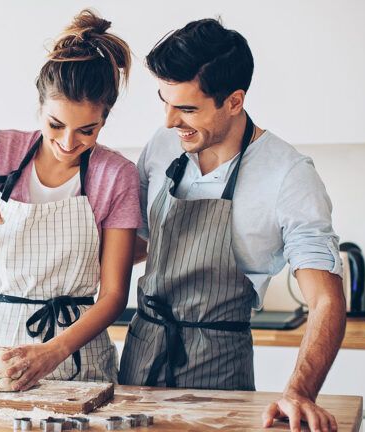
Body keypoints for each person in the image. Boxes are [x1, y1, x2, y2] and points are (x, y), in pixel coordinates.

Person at [118, 18, 347, 432]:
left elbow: (326, 302)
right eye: (164, 102)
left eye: (187, 109)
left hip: (220, 373)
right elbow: (135, 244)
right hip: (140, 362)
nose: (171, 121)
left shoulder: (288, 174)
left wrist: (299, 392)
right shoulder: (163, 143)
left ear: (235, 101)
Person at [0, 9, 139, 390]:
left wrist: (53, 352)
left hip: (74, 349)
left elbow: (115, 294)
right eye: (56, 125)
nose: (69, 143)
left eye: (88, 130)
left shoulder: (116, 175)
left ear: (105, 119)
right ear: (39, 107)